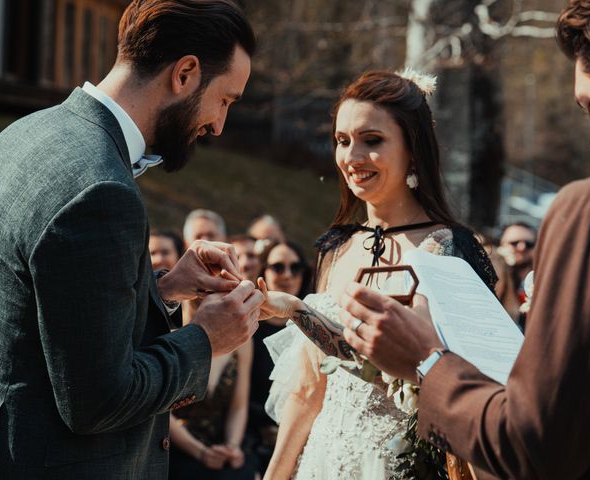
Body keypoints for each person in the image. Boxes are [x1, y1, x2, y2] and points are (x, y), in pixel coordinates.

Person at [337, 1, 590, 478]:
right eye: (341, 139)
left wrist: (426, 364)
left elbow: (538, 443)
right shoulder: (337, 246)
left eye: (589, 103)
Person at [0, 1, 264, 478]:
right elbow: (99, 401)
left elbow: (51, 314)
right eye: (225, 100)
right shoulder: (102, 190)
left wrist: (163, 288)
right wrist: (204, 339)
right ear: (186, 74)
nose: (219, 126)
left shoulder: (25, 133)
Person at [258, 70, 496, 479]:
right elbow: (308, 390)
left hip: (397, 465)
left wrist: (297, 310)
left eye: (372, 141)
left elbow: (419, 376)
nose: (351, 158)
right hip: (323, 461)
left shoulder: (449, 250)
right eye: (342, 141)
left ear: (413, 151)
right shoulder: (336, 248)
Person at [246, 241, 312, 476]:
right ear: (263, 271)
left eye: (295, 268)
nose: (287, 275)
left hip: (305, 438)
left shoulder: (314, 328)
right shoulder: (246, 330)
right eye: (277, 267)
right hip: (253, 440)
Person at [169, 303, 256, 480]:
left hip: (219, 443)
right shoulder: (168, 337)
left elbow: (238, 407)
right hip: (176, 449)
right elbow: (161, 415)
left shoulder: (241, 339)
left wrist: (232, 446)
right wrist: (201, 453)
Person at [498, 221, 536, 302]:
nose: (522, 247)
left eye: (529, 244)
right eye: (514, 243)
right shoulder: (490, 276)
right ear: (501, 245)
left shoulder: (540, 280)